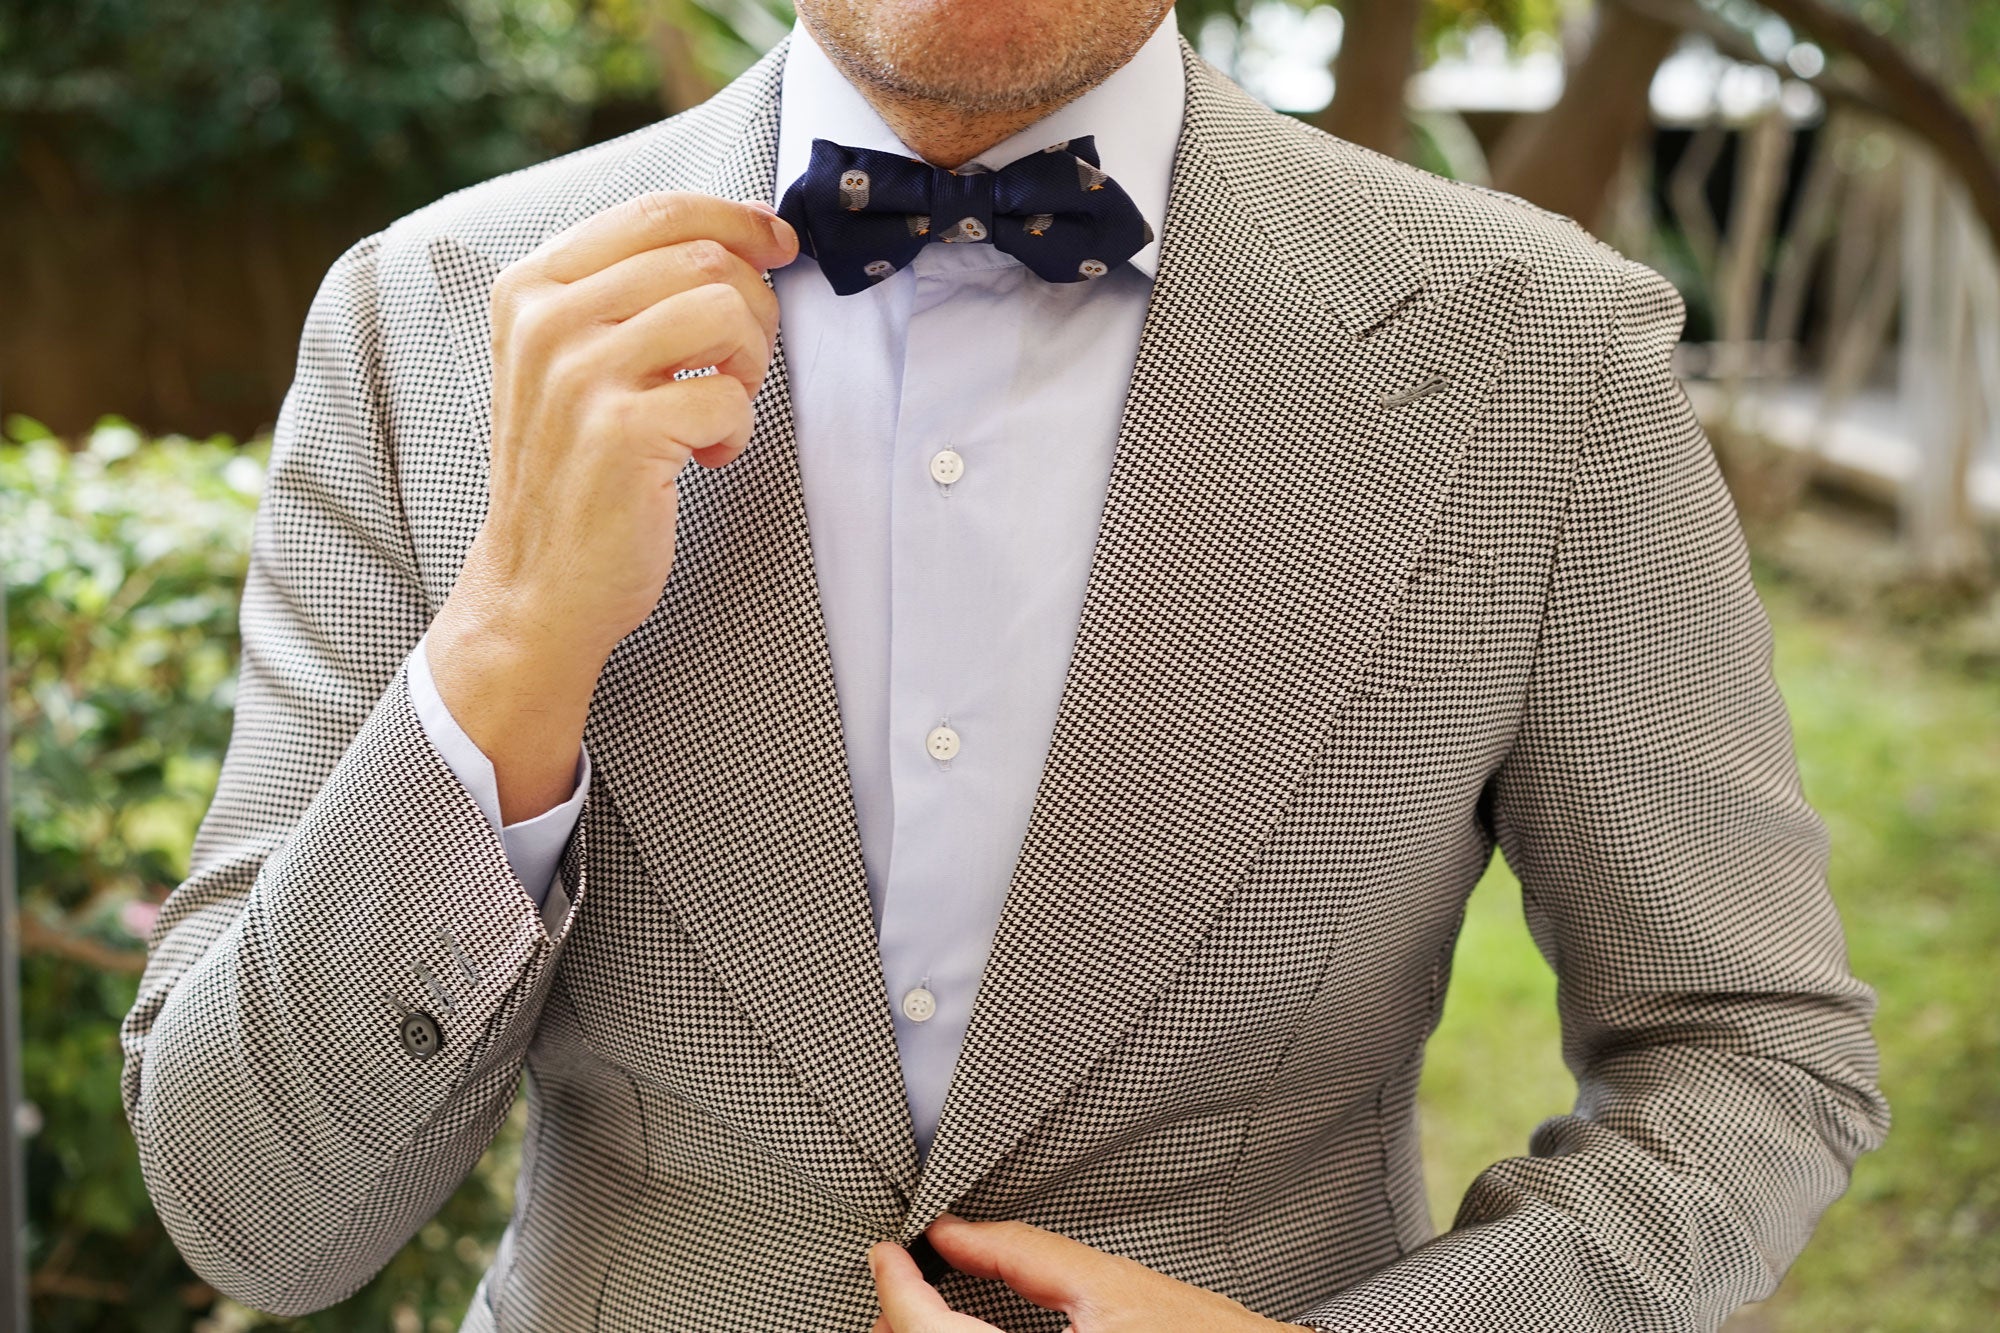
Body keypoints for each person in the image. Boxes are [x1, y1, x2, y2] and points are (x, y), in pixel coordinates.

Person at [118, 0, 1890, 1329]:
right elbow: (260, 1211)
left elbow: (1749, 1054)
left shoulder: (1548, 356)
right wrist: (511, 637)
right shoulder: (416, 320)